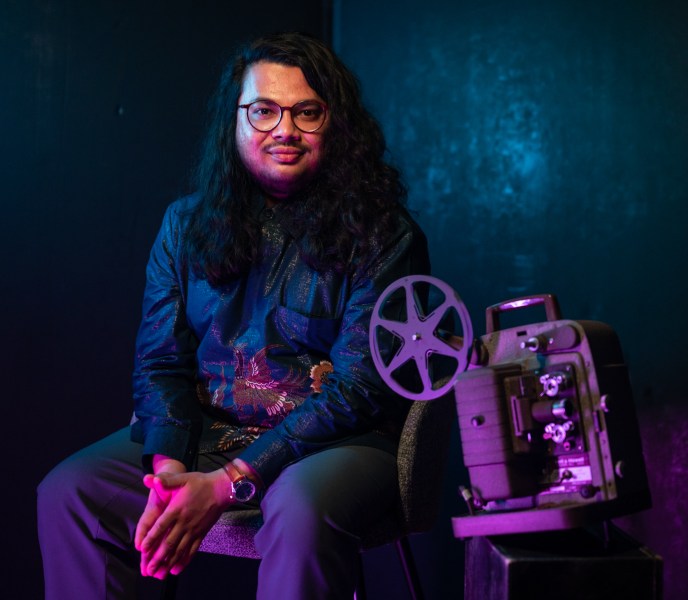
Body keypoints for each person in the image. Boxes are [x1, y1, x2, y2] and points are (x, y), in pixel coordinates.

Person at [37, 32, 430, 599]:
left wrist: (226, 484)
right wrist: (170, 469)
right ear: (236, 121)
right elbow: (160, 363)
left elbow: (360, 391)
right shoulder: (185, 226)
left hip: (338, 446)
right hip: (210, 433)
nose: (285, 130)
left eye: (307, 113)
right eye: (264, 111)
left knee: (301, 505)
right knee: (71, 492)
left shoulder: (384, 235)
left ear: (335, 124)